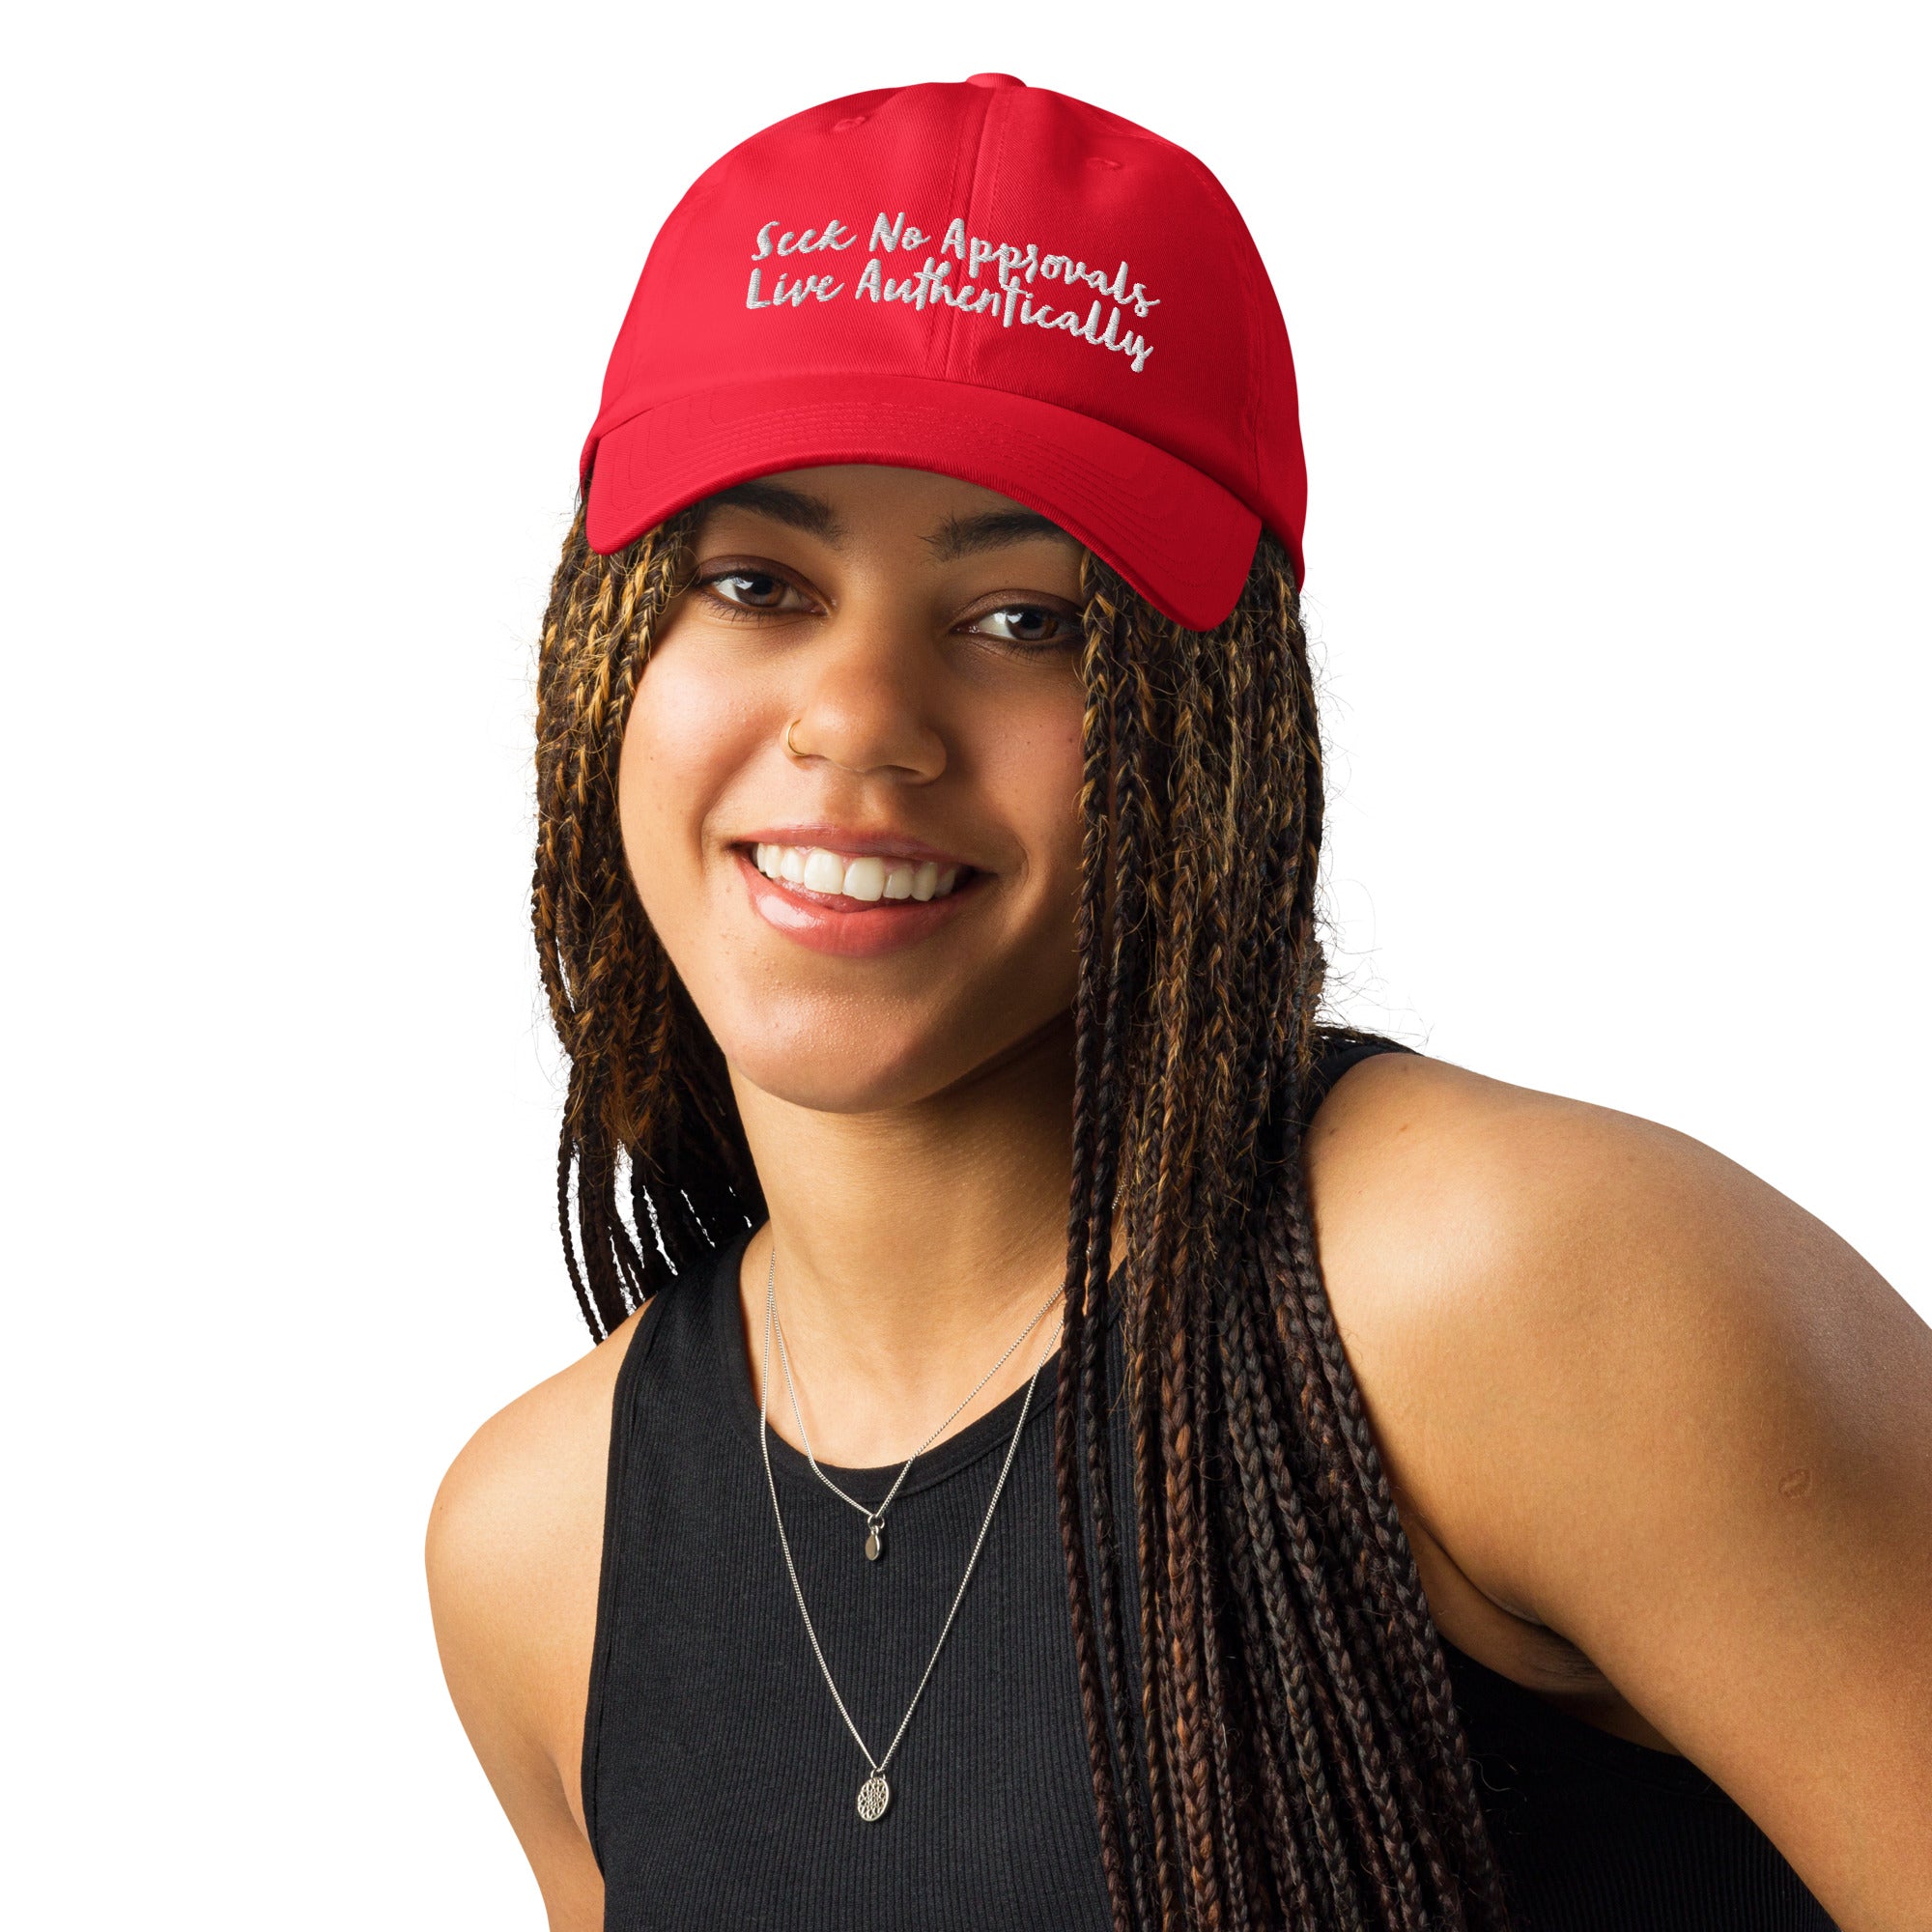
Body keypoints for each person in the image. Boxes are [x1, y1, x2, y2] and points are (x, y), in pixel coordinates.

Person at [424, 75, 1930, 1932]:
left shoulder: (1505, 1294)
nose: (859, 720)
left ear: (1218, 728)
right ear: (604, 655)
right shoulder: (542, 1551)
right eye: (755, 582)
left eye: (1026, 618)